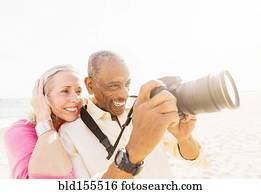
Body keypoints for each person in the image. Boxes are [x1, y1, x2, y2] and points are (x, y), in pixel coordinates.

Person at [59, 50, 202, 178]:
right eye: (114, 86)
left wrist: (185, 138)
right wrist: (133, 154)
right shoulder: (69, 134)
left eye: (127, 84)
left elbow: (192, 158)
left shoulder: (147, 108)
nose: (124, 93)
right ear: (90, 85)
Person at [4, 65, 83, 178]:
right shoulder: (19, 131)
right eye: (65, 91)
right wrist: (44, 120)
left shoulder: (77, 125)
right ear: (43, 97)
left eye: (78, 91)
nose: (76, 98)